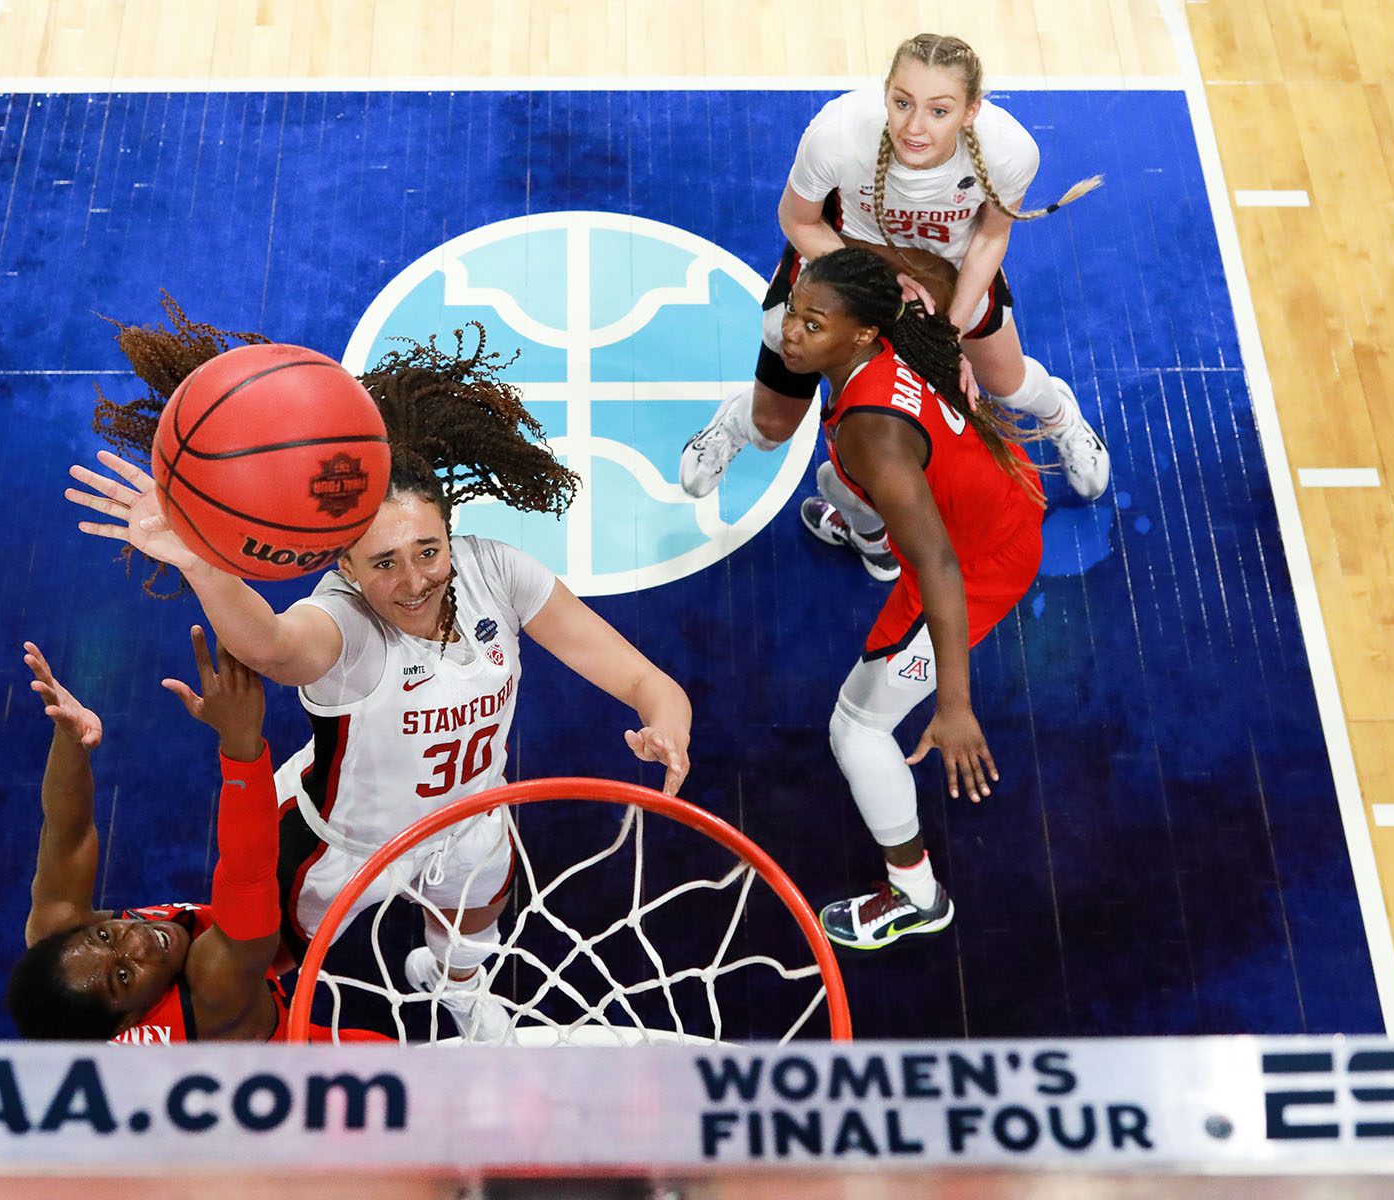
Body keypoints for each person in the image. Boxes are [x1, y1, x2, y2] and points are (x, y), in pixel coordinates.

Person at [68, 304, 694, 1042]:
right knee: (272, 959)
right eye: (384, 563)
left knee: (475, 918)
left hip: (467, 816)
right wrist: (201, 562)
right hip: (339, 843)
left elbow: (642, 679)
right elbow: (269, 646)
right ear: (344, 564)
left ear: (450, 532)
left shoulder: (502, 571)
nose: (413, 580)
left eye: (429, 550)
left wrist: (666, 724)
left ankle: (456, 988)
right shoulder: (346, 626)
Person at [680, 31, 1108, 575]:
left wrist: (946, 335)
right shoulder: (837, 134)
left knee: (1006, 382)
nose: (914, 125)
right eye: (902, 102)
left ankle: (1060, 416)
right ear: (885, 91)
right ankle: (738, 426)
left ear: (972, 110)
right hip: (844, 261)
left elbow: (989, 240)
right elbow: (797, 221)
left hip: (947, 274)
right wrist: (878, 280)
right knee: (773, 427)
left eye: (939, 110)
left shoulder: (1011, 151)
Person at [776, 247, 1044, 951]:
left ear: (862, 334)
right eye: (794, 314)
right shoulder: (886, 341)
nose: (790, 335)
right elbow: (912, 272)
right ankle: (870, 542)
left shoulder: (875, 434)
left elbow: (942, 569)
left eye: (812, 324)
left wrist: (953, 706)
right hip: (989, 492)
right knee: (838, 479)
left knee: (857, 730)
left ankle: (917, 894)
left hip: (979, 560)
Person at [7, 626, 385, 1042]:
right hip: (287, 1068)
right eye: (123, 974)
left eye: (105, 935)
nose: (135, 942)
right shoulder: (213, 991)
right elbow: (248, 877)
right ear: (127, 1025)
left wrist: (69, 741)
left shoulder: (62, 951)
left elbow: (68, 832)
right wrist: (241, 742)